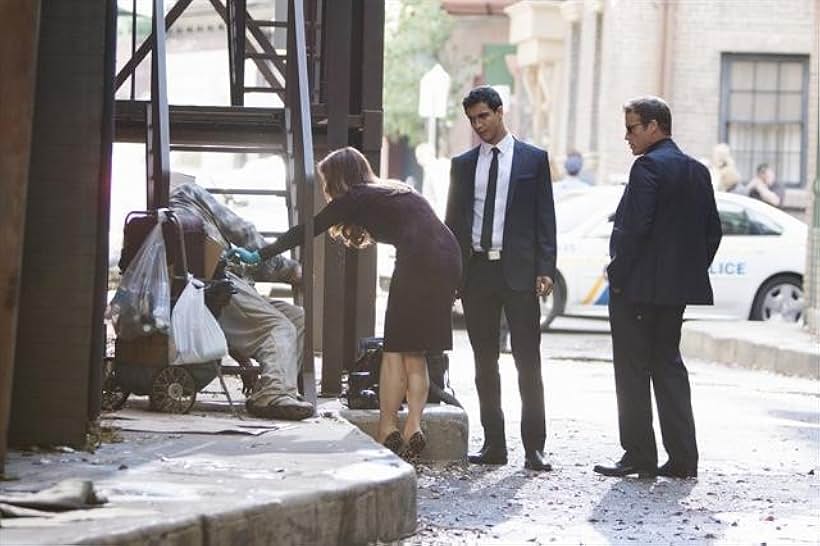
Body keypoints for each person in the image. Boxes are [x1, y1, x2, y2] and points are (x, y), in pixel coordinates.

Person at [230, 146, 462, 459]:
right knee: (415, 351)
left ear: (339, 179)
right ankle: (414, 425)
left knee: (394, 350)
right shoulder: (393, 189)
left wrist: (259, 255)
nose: (326, 190)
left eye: (327, 182)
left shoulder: (354, 197)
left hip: (417, 261)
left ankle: (387, 427)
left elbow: (307, 230)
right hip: (449, 257)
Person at [594, 96, 722, 479]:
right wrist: (687, 272)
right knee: (668, 367)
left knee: (632, 371)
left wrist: (617, 274)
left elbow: (634, 228)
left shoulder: (647, 167)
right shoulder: (697, 170)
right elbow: (712, 231)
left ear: (654, 127)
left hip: (636, 290)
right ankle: (683, 458)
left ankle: (638, 455)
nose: (627, 136)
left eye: (632, 128)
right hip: (675, 293)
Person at [445, 85, 556, 472]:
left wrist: (545, 267)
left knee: (528, 362)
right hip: (477, 273)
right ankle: (494, 443)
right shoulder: (462, 165)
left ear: (499, 112)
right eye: (473, 120)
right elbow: (453, 223)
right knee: (483, 363)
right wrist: (452, 274)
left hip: (520, 272)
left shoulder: (533, 160)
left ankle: (534, 447)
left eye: (484, 117)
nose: (479, 126)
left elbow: (546, 218)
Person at [168, 180, 314, 420]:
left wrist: (243, 360)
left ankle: (281, 389)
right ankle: (272, 394)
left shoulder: (175, 217)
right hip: (220, 286)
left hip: (206, 293)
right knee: (280, 327)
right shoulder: (190, 193)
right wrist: (289, 270)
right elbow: (244, 233)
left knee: (296, 318)